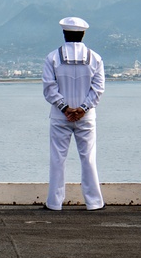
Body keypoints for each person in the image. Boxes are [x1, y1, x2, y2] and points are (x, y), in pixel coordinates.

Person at [42, 17, 105, 211]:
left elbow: (49, 88)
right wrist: (83, 108)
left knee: (57, 159)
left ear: (64, 33)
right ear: (83, 34)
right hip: (86, 117)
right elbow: (98, 89)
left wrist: (64, 107)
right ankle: (94, 202)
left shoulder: (52, 57)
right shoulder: (95, 58)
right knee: (88, 158)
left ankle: (54, 202)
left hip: (60, 116)